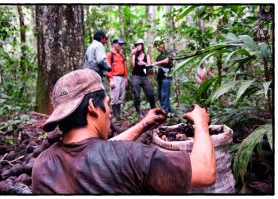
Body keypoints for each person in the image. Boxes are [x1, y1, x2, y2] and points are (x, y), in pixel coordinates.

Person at [32, 68, 216, 194]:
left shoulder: (41, 165)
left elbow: (95, 154)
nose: (110, 111)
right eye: (107, 104)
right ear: (92, 107)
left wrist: (144, 123)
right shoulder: (129, 156)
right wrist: (200, 122)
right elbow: (205, 172)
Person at [130, 39, 156, 118]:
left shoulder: (146, 56)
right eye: (136, 45)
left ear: (142, 45)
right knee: (136, 94)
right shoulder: (134, 56)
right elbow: (132, 67)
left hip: (144, 76)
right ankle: (138, 112)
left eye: (139, 44)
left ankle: (153, 110)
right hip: (135, 76)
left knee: (150, 93)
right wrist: (132, 56)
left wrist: (144, 63)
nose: (138, 46)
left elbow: (149, 68)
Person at [106, 38, 128, 120]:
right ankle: (114, 116)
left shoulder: (121, 55)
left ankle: (119, 116)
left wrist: (125, 78)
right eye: (119, 44)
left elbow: (124, 67)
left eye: (122, 44)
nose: (121, 46)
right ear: (114, 44)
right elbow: (108, 68)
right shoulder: (110, 55)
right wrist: (111, 79)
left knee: (121, 97)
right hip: (115, 77)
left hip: (122, 77)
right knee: (114, 97)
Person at [152, 36, 174, 117]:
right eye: (156, 45)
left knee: (165, 95)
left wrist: (155, 63)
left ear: (163, 44)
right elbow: (157, 68)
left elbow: (167, 60)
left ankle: (163, 114)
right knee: (161, 96)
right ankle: (169, 113)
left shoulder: (168, 52)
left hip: (167, 77)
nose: (158, 47)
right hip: (160, 78)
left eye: (159, 44)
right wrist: (154, 69)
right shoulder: (158, 57)